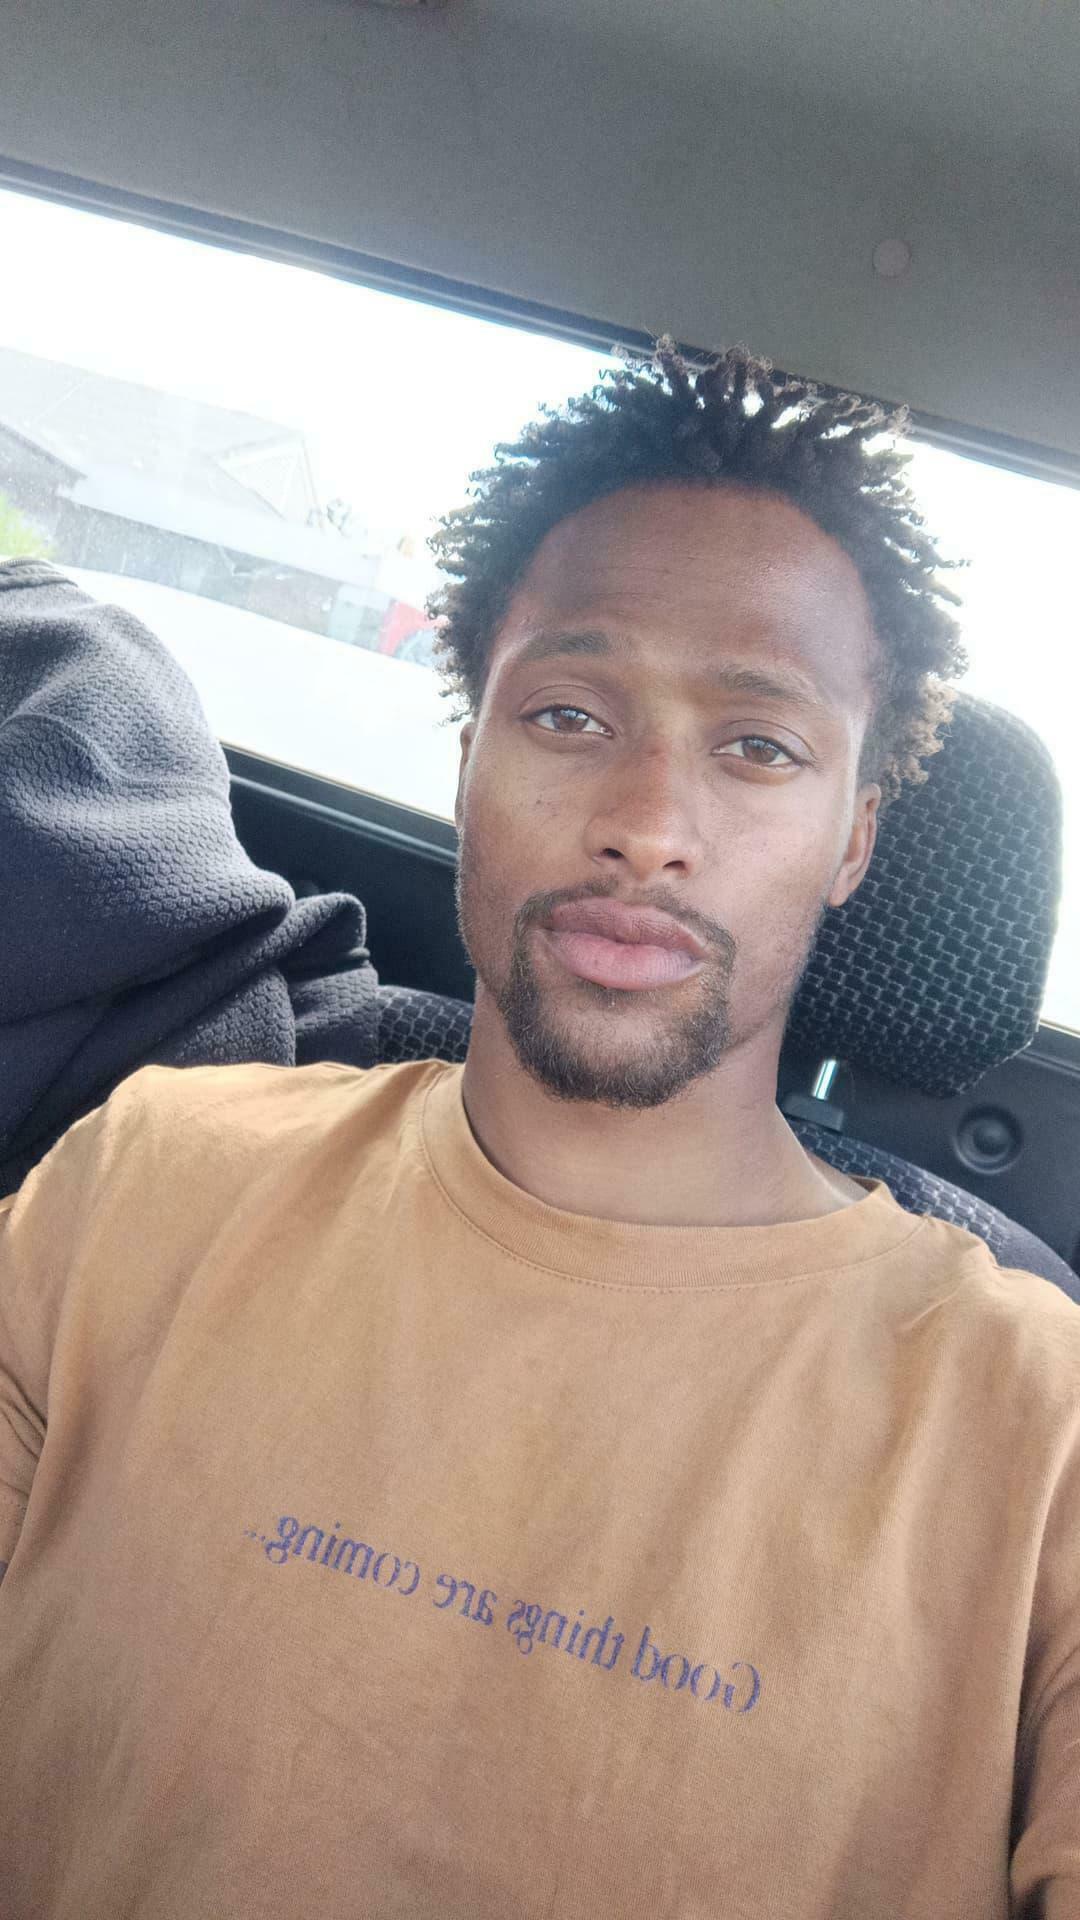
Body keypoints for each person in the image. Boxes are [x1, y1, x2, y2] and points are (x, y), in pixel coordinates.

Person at [0, 342, 1076, 1918]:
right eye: (569, 715)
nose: (646, 823)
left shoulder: (1038, 1429)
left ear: (853, 841)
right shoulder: (145, 1175)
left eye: (758, 745)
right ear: (468, 764)